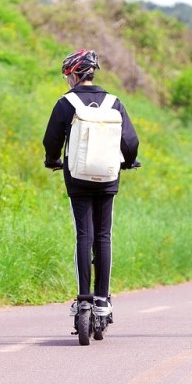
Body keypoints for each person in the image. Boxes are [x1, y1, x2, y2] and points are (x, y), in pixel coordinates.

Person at [42, 49, 140, 319]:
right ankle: (102, 298)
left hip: (77, 177)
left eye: (67, 75)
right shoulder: (114, 101)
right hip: (108, 177)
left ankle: (84, 296)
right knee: (104, 236)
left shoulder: (66, 103)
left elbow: (51, 140)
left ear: (74, 74)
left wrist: (52, 160)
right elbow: (130, 141)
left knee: (84, 235)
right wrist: (129, 161)